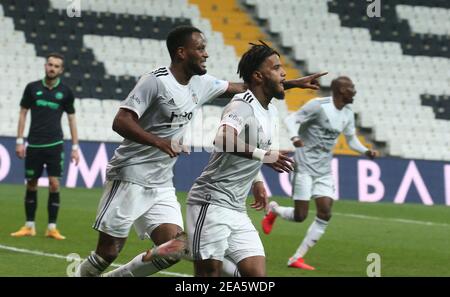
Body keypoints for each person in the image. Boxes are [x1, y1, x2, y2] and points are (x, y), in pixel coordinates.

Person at [76, 26, 326, 277]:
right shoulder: (155, 81)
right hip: (129, 175)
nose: (206, 54)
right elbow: (120, 121)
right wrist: (158, 142)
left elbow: (247, 86)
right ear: (182, 53)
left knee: (175, 248)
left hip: (161, 182)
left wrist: (289, 83)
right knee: (108, 251)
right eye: (201, 48)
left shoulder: (202, 83)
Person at [186, 41, 322, 277]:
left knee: (256, 277)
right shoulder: (241, 105)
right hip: (211, 203)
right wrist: (265, 156)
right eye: (277, 68)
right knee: (208, 275)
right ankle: (187, 248)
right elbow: (223, 139)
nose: (283, 73)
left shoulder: (269, 110)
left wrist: (257, 181)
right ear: (259, 76)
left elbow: (251, 145)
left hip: (237, 208)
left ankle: (188, 248)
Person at [262, 76, 378, 270]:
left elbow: (350, 140)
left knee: (325, 212)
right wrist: (295, 137)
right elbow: (291, 119)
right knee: (301, 216)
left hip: (324, 170)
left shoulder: (348, 113)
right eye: (351, 88)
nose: (355, 92)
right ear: (341, 91)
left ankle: (296, 258)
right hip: (304, 167)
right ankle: (274, 210)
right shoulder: (318, 105)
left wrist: (365, 150)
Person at [11, 52, 80, 240]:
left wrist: (75, 147)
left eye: (56, 66)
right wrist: (19, 141)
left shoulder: (66, 92)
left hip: (55, 144)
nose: (52, 68)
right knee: (31, 183)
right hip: (33, 144)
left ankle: (51, 227)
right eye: (50, 64)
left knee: (54, 183)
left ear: (61, 70)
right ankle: (29, 226)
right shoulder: (32, 88)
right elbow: (23, 113)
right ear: (45, 66)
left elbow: (72, 119)